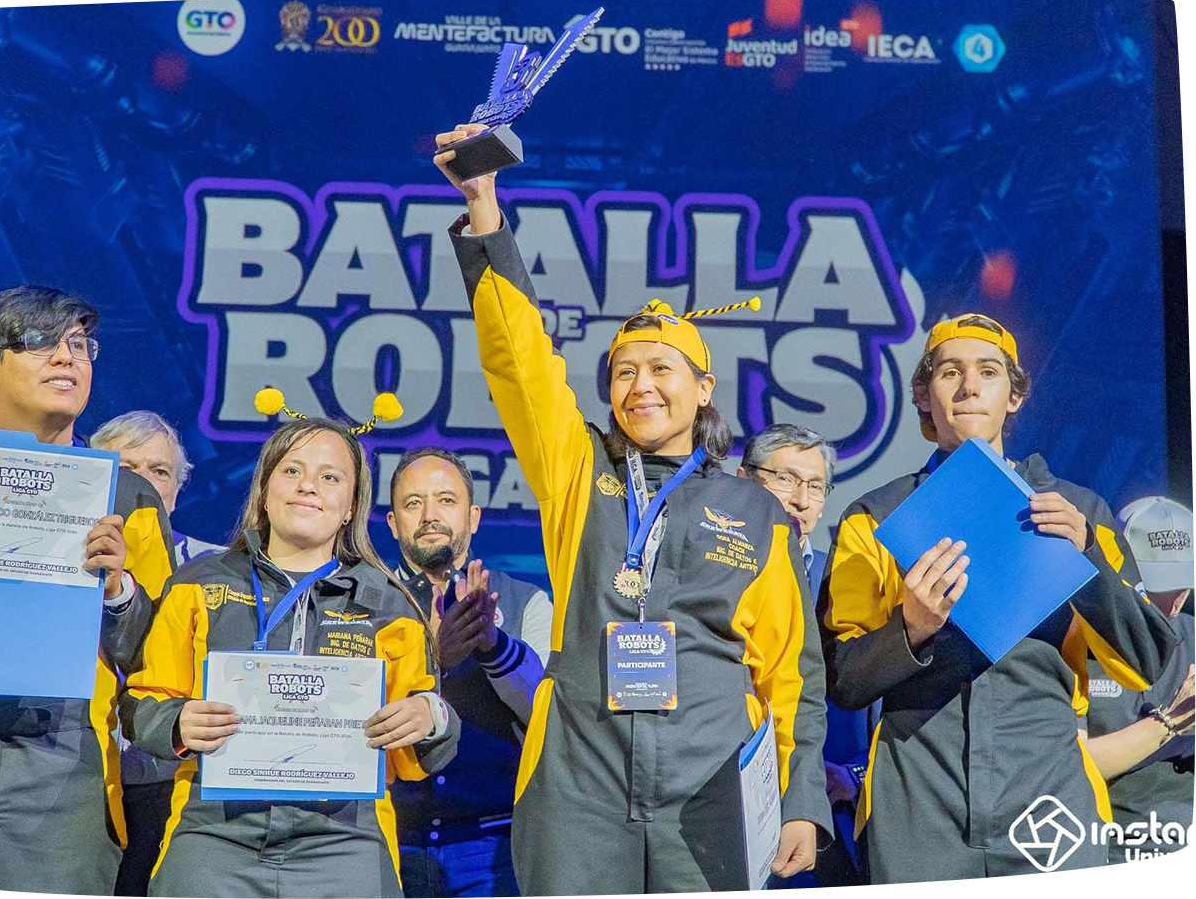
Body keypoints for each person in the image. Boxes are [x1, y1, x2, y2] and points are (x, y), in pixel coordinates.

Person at [435, 123, 831, 899]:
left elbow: (791, 672)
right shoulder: (579, 470)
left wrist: (801, 799)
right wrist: (484, 207)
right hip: (579, 782)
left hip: (710, 783)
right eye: (622, 372)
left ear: (704, 389)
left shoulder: (756, 509)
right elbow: (521, 362)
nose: (640, 385)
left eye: (661, 369)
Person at [817, 313, 1175, 898]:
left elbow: (1149, 661)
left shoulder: (1078, 512)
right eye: (949, 372)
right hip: (918, 795)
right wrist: (910, 629)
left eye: (988, 372)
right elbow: (845, 680)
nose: (969, 387)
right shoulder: (876, 517)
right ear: (922, 395)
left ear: (1014, 396)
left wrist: (1085, 562)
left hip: (1047, 790)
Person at [120, 404, 461, 899]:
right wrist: (176, 722)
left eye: (330, 477)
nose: (308, 486)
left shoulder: (389, 604)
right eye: (292, 471)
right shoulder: (199, 583)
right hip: (214, 834)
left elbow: (419, 755)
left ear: (352, 505)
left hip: (345, 840)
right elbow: (139, 701)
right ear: (264, 489)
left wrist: (431, 717)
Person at [0, 286, 175, 899]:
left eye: (80, 346)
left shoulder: (130, 499)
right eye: (40, 342)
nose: (67, 358)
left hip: (64, 766)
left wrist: (118, 590)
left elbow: (159, 655)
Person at [387, 447, 552, 899]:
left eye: (446, 500)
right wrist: (432, 659)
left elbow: (547, 714)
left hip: (494, 846)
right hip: (387, 840)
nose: (430, 515)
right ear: (393, 523)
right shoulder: (363, 602)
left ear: (473, 517)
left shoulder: (526, 600)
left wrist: (492, 646)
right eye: (413, 503)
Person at [91, 410, 223, 899]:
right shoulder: (53, 558)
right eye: (126, 469)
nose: (142, 484)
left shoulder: (215, 572)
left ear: (177, 491)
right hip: (76, 779)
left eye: (159, 471)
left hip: (164, 782)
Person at [739, 426, 869, 899]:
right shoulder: (713, 573)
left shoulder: (844, 583)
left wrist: (850, 776)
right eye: (785, 479)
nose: (801, 500)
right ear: (742, 480)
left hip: (832, 821)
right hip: (730, 804)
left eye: (816, 487)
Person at [1086, 496, 1196, 896]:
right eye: (1160, 582)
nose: (1176, 598)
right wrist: (1171, 722)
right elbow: (1062, 763)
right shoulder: (1080, 640)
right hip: (1105, 870)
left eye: (1185, 580)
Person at [92, 411, 223, 566]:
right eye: (125, 469)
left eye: (160, 472)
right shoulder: (68, 551)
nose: (143, 481)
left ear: (175, 495)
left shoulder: (214, 566)